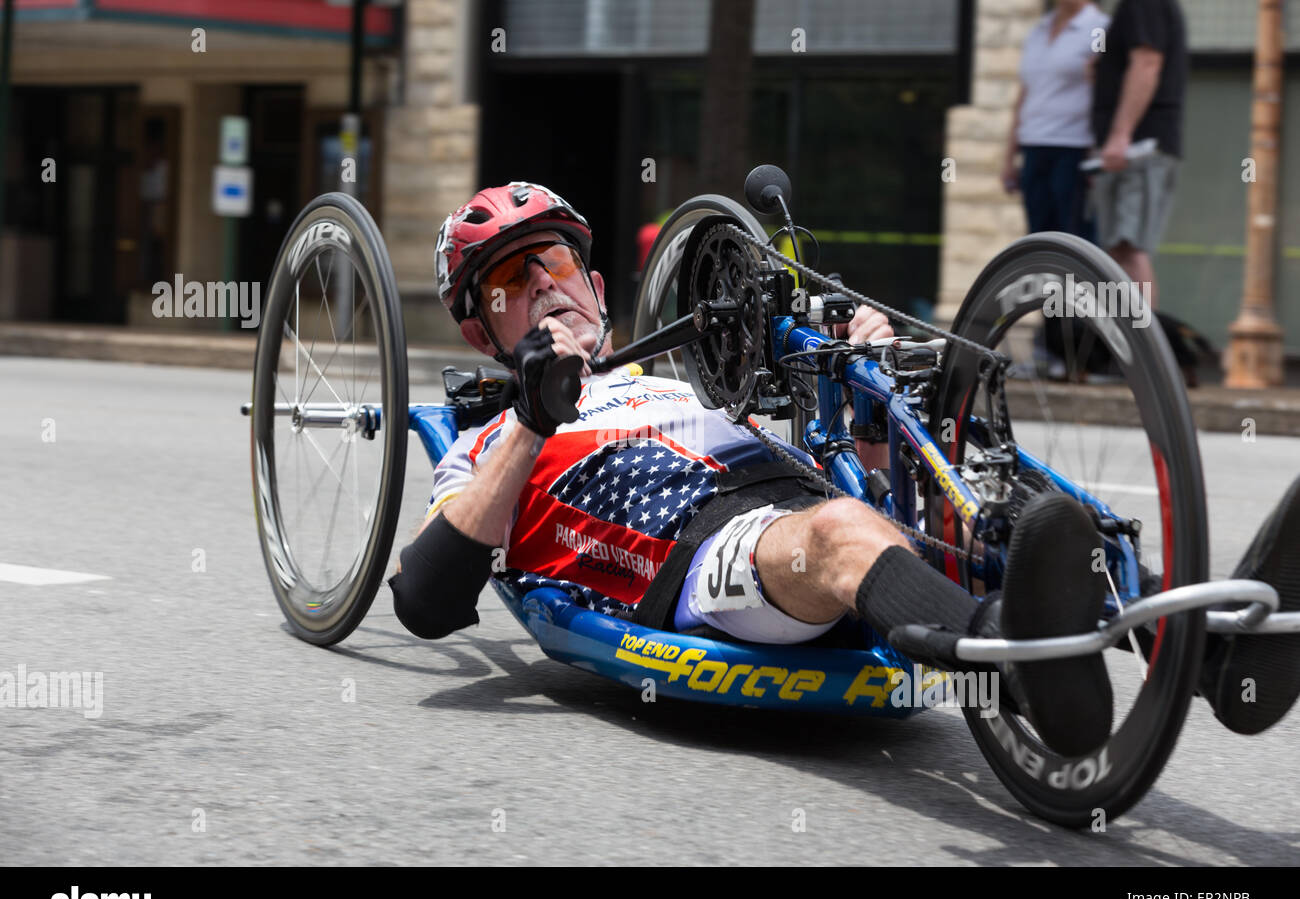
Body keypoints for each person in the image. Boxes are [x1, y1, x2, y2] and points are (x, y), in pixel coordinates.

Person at [387, 181, 1300, 748]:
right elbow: (428, 598)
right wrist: (532, 418)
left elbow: (861, 475)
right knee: (833, 535)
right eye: (510, 284)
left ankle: (1218, 653)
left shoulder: (690, 384)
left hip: (808, 505)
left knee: (1001, 498)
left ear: (591, 281)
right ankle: (1017, 666)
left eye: (550, 262)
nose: (541, 285)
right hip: (690, 557)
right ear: (485, 329)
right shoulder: (486, 441)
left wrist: (865, 388)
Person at [1089, 0, 1188, 309]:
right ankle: (1128, 351)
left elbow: (1147, 63)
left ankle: (1144, 353)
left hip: (1140, 149)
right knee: (1119, 251)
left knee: (1131, 250)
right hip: (1131, 147)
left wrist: (1120, 136)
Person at [1002, 0, 1110, 241]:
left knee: (1075, 238)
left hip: (1074, 146)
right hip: (1034, 144)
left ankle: (1082, 281)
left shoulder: (1098, 29)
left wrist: (1098, 152)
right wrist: (1010, 155)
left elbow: (1105, 88)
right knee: (1040, 237)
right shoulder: (1038, 30)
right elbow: (1025, 93)